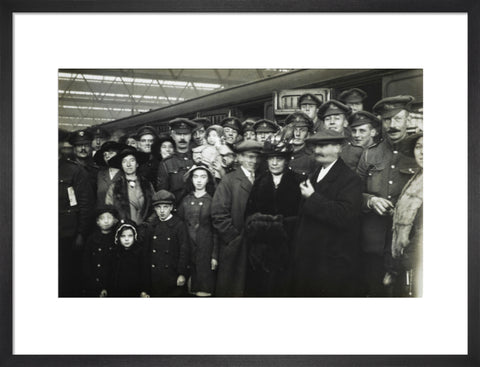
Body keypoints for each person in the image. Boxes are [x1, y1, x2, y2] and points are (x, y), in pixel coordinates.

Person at [356, 95, 419, 297]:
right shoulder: (369, 154)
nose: (392, 125)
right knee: (374, 290)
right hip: (373, 240)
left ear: (408, 120)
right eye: (387, 120)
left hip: (405, 242)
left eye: (398, 119)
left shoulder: (419, 152)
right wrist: (370, 200)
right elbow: (353, 192)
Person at [291, 129, 362, 297]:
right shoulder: (315, 174)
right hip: (310, 260)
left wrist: (313, 197)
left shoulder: (350, 179)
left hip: (330, 262)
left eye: (323, 146)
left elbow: (344, 215)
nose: (317, 151)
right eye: (316, 146)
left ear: (338, 148)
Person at [244, 138, 302, 297]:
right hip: (261, 251)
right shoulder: (260, 181)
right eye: (271, 158)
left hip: (289, 250)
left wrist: (282, 226)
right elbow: (249, 215)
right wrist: (263, 226)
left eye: (279, 158)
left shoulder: (298, 181)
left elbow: (303, 217)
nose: (274, 163)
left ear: (287, 160)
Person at [211, 140, 263, 296]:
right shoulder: (230, 180)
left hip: (258, 245)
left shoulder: (263, 178)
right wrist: (234, 238)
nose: (253, 161)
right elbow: (218, 214)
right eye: (249, 157)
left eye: (256, 158)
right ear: (239, 158)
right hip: (235, 246)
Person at [59, 133, 95, 297]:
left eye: (86, 144)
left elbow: (85, 204)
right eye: (79, 145)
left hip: (72, 231)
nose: (82, 148)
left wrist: (81, 233)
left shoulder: (74, 170)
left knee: (71, 271)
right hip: (63, 230)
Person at [387, 133, 423, 297]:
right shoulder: (418, 176)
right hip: (405, 261)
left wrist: (403, 263)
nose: (422, 152)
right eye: (419, 147)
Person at [178, 164, 218, 296]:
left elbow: (216, 231)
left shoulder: (212, 201)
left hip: (205, 249)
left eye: (203, 177)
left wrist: (214, 255)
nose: (199, 180)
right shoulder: (185, 200)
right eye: (195, 177)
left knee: (203, 288)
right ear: (191, 179)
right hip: (187, 248)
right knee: (187, 288)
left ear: (208, 180)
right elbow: (180, 225)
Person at [141, 190, 190, 297]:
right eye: (158, 207)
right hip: (155, 277)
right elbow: (146, 254)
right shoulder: (151, 226)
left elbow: (184, 251)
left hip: (172, 277)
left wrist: (182, 274)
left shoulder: (179, 225)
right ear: (154, 209)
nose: (162, 211)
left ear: (171, 207)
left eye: (165, 207)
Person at [105, 147, 154, 225]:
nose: (128, 164)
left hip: (144, 230)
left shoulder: (147, 185)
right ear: (121, 165)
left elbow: (154, 207)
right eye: (124, 161)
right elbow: (109, 210)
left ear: (137, 164)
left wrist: (147, 224)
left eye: (132, 160)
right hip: (124, 231)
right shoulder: (115, 187)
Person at [156, 118, 195, 205]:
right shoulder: (166, 163)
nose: (182, 138)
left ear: (191, 135)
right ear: (173, 135)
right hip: (176, 212)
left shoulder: (198, 158)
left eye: (186, 134)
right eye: (178, 134)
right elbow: (162, 195)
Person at [82, 205, 119, 297]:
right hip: (95, 282)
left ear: (114, 220)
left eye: (109, 218)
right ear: (97, 222)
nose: (106, 221)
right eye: (102, 218)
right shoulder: (91, 239)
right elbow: (87, 262)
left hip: (112, 282)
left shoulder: (117, 239)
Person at [107, 220, 145, 297]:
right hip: (117, 292)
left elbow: (144, 274)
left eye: (130, 236)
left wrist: (144, 290)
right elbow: (109, 274)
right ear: (118, 237)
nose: (126, 239)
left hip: (134, 292)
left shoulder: (140, 253)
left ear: (135, 236)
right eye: (123, 236)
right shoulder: (115, 253)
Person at [283, 111, 317, 177]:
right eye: (294, 130)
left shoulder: (312, 157)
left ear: (308, 133)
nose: (297, 134)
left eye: (302, 130)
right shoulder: (282, 153)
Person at [93, 141, 124, 205]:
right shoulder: (100, 174)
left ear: (118, 154)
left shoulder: (126, 173)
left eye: (111, 153)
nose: (107, 156)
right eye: (105, 154)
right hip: (102, 213)